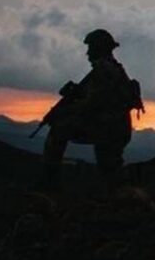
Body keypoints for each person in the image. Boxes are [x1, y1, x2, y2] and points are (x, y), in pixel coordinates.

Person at [39, 29, 141, 189]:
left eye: (90, 48)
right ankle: (137, 177)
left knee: (59, 130)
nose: (87, 53)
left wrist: (63, 112)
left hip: (109, 128)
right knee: (111, 173)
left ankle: (48, 183)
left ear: (99, 48)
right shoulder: (110, 69)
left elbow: (92, 104)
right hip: (113, 127)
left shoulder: (104, 70)